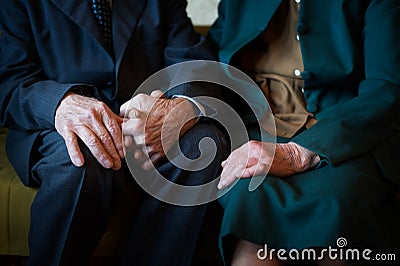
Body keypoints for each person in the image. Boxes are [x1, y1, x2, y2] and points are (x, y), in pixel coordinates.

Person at [0, 0, 229, 265]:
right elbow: (9, 81)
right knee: (80, 159)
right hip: (55, 124)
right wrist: (60, 104)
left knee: (203, 145)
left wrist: (180, 109)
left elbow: (193, 62)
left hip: (143, 125)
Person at [207, 0, 400, 265]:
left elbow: (387, 87)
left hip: (345, 133)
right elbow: (209, 55)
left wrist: (298, 154)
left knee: (337, 217)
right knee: (251, 209)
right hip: (257, 129)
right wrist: (180, 102)